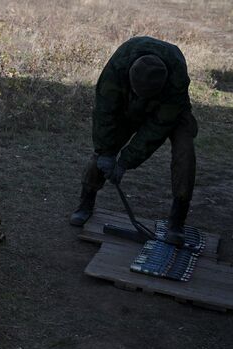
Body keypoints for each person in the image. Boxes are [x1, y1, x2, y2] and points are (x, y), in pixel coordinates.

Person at [69, 36, 198, 247]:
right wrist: (106, 152)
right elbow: (104, 112)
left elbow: (156, 128)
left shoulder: (176, 79)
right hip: (127, 103)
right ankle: (85, 202)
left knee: (186, 153)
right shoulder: (118, 67)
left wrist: (124, 162)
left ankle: (177, 221)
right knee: (101, 155)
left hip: (170, 109)